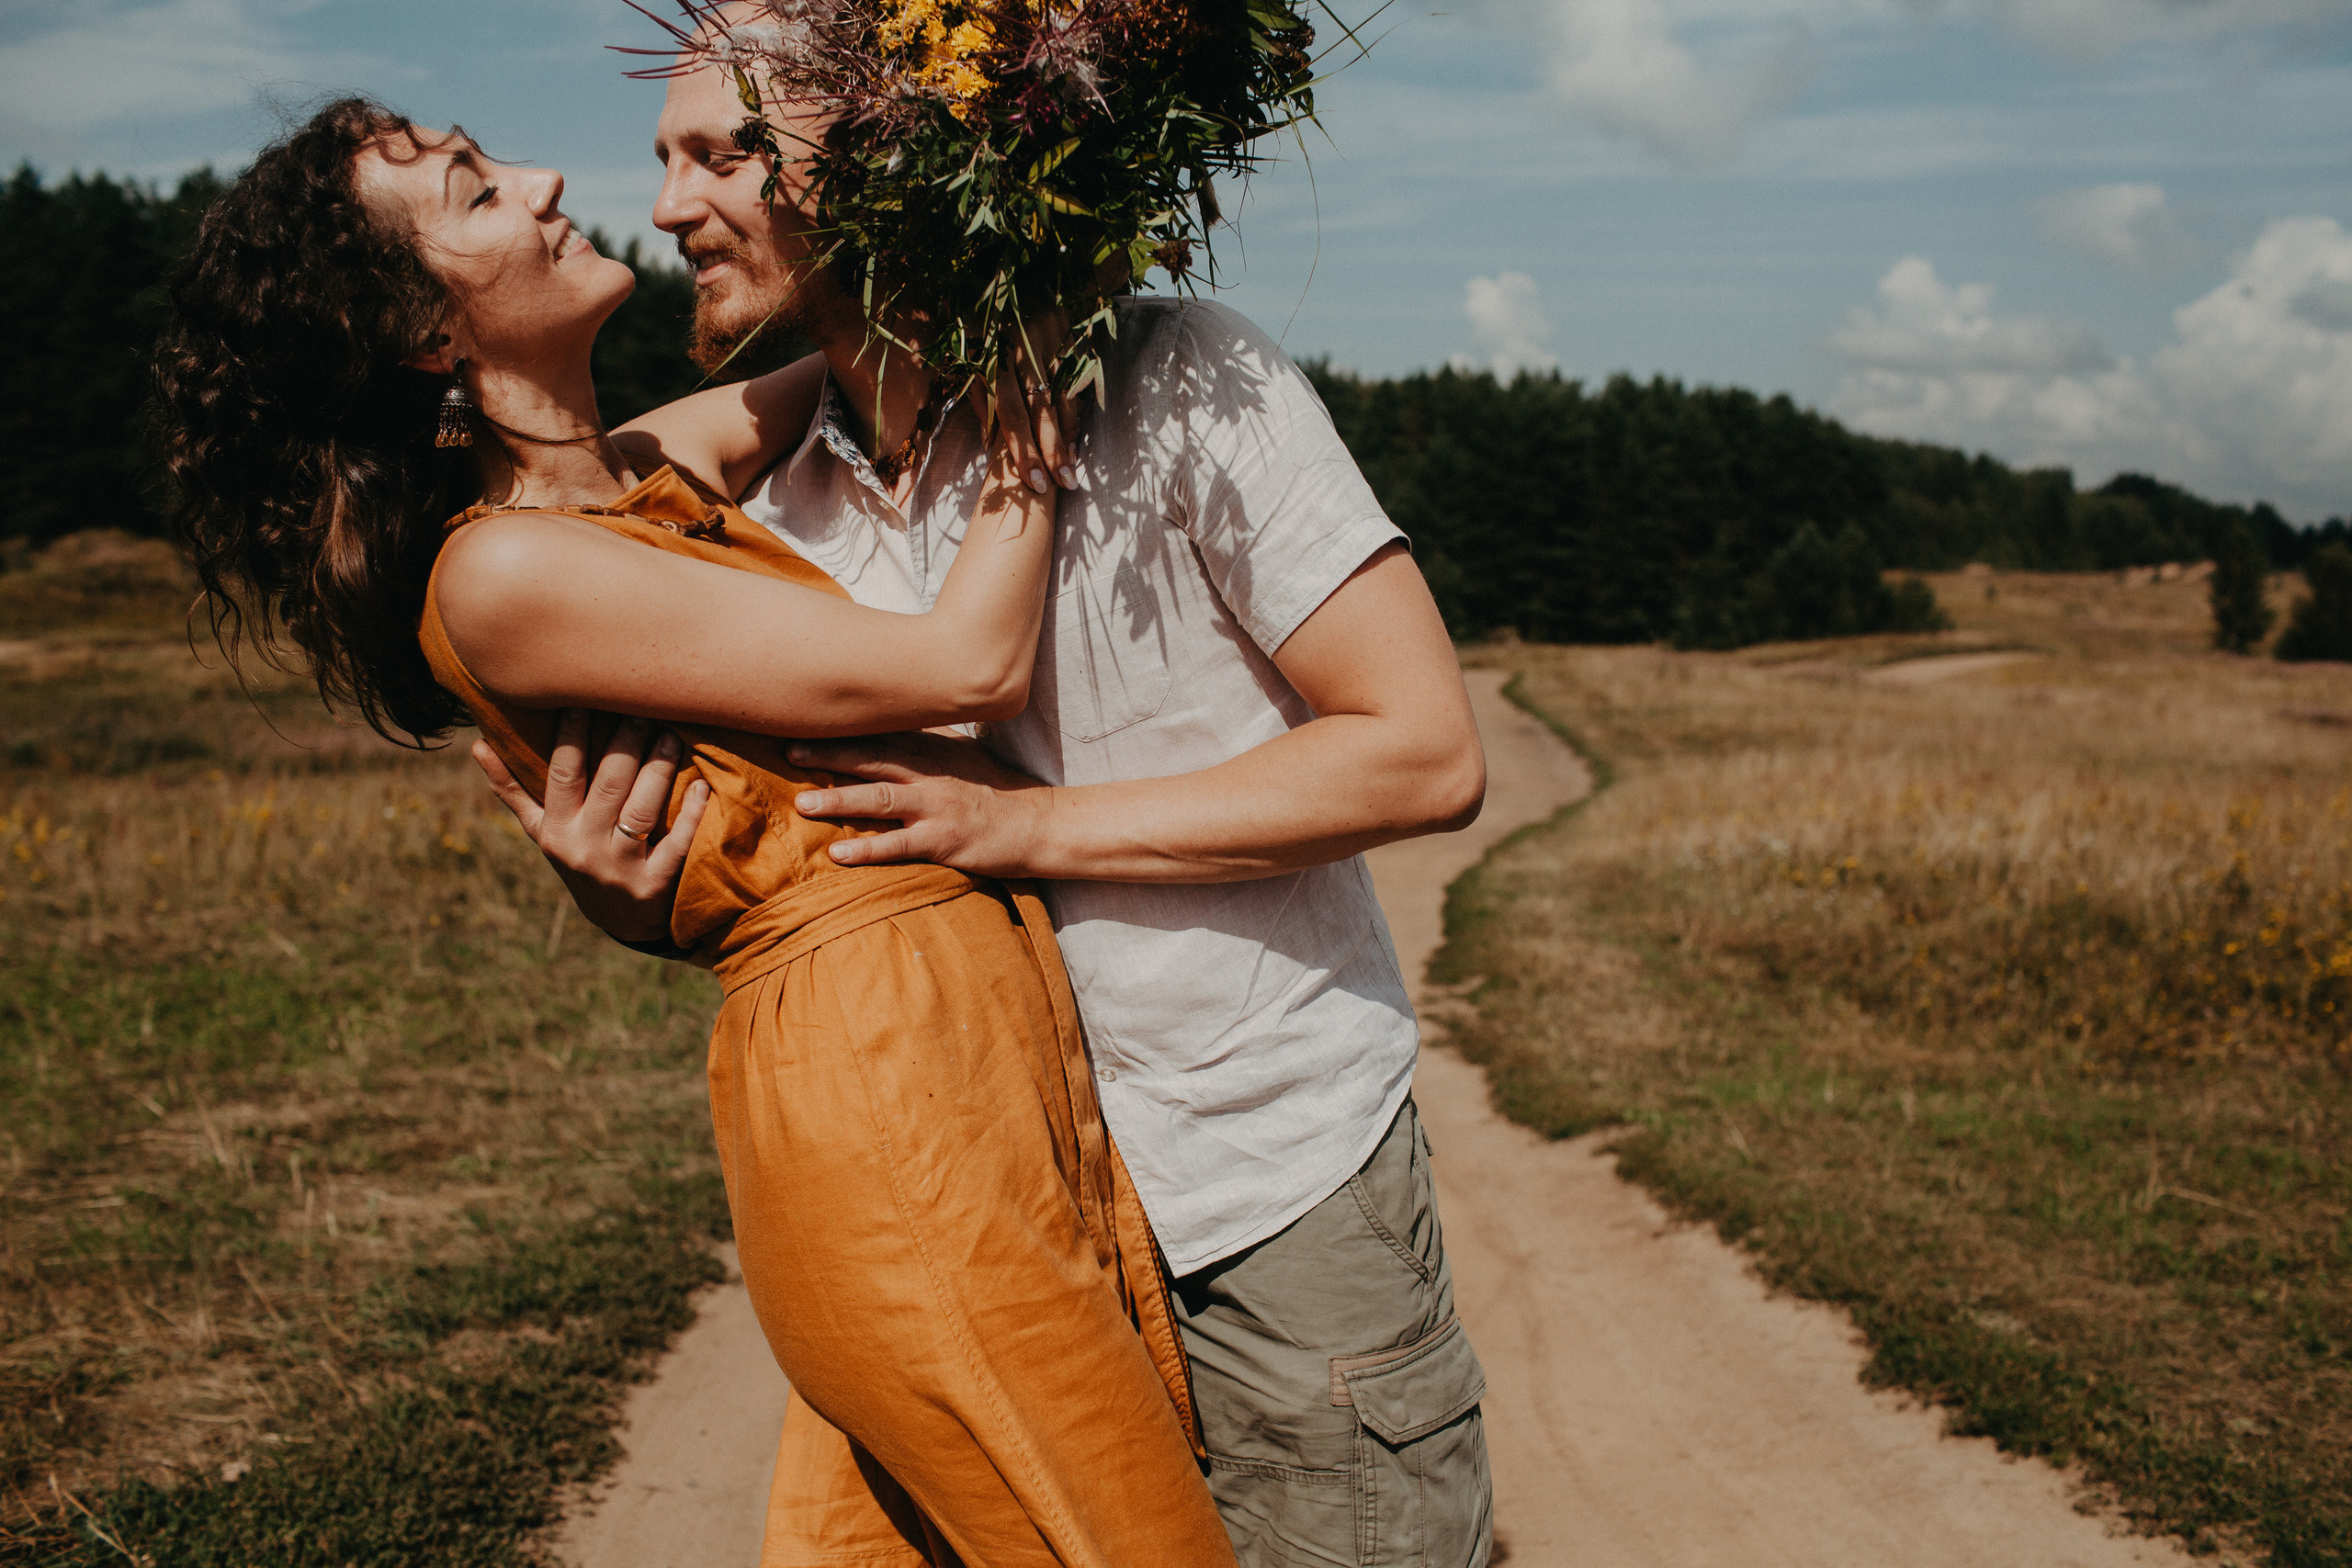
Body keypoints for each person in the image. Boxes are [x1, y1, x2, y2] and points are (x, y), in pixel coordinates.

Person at [152, 96, 1241, 1568]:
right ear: (426, 335)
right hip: (889, 1095)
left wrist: (1007, 226)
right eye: (477, 195)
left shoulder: (632, 478)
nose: (544, 181)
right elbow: (967, 666)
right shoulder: (506, 572)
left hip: (960, 1053)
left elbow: (846, 361)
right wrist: (1034, 403)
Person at [503, 16, 1498, 1564]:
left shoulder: (1183, 382)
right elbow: (770, 839)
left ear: (887, 153)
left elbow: (1425, 749)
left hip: (1264, 1190)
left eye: (721, 154)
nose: (672, 207)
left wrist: (1036, 829)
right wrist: (635, 898)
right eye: (663, 162)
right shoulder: (770, 503)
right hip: (996, 1221)